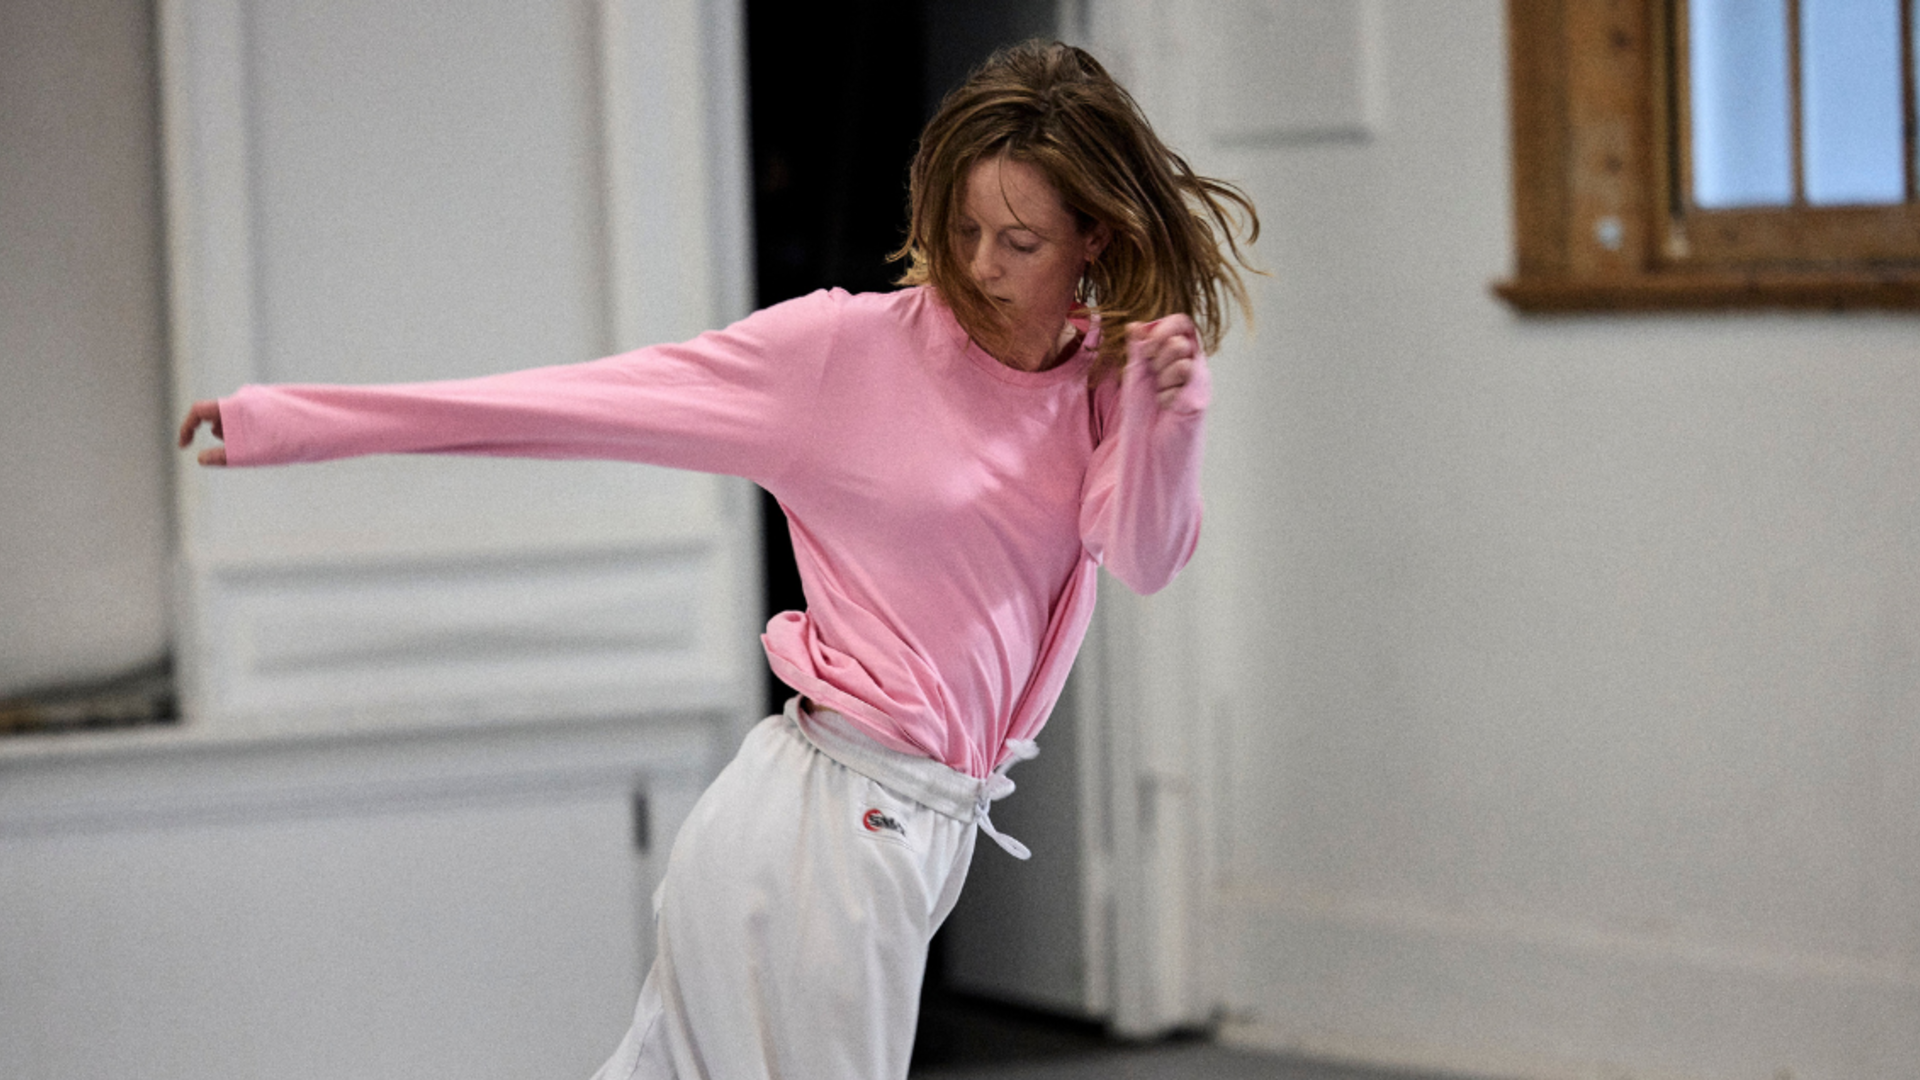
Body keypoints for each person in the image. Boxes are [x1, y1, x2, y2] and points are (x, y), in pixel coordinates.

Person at [178, 40, 1257, 1080]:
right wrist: (289, 424)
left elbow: (1142, 554)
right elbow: (576, 405)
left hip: (906, 829)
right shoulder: (843, 355)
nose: (980, 264)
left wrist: (1175, 421)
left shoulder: (1106, 384)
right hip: (827, 832)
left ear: (1094, 242)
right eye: (964, 227)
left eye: (1018, 242)